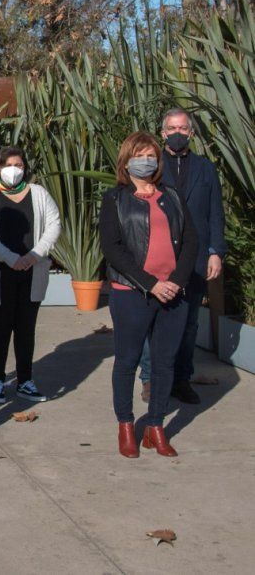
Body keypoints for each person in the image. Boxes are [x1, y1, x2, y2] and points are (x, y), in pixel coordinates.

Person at [100, 132, 198, 459]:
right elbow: (113, 249)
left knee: (164, 362)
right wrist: (151, 283)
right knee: (127, 361)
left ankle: (155, 426)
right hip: (132, 293)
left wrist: (176, 281)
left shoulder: (171, 196)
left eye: (152, 155)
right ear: (127, 161)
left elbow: (190, 242)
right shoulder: (115, 199)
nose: (147, 160)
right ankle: (126, 425)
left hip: (173, 293)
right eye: (140, 155)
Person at [138, 109, 227, 405]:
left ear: (191, 133)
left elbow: (216, 212)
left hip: (197, 256)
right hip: (159, 255)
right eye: (172, 127)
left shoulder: (205, 168)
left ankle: (181, 378)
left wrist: (215, 252)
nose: (178, 132)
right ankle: (150, 379)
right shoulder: (152, 166)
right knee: (154, 320)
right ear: (163, 133)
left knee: (189, 323)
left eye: (183, 128)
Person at [0, 147, 61, 404]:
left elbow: (54, 223)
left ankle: (25, 379)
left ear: (25, 168)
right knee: (1, 328)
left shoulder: (38, 194)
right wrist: (12, 259)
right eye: (8, 164)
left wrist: (34, 255)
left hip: (31, 271)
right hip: (1, 273)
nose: (13, 169)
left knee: (26, 328)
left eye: (19, 164)